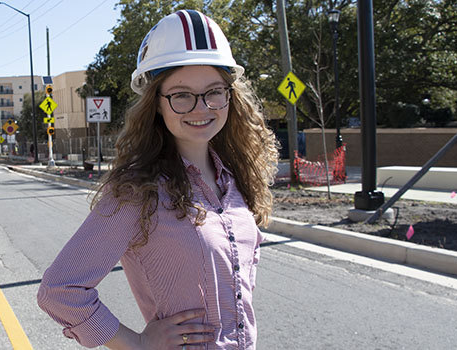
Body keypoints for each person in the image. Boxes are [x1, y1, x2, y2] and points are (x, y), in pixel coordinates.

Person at [37, 9, 278, 350]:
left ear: (230, 95)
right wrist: (136, 343)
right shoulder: (138, 191)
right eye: (181, 95)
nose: (201, 107)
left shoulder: (235, 179)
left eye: (214, 91)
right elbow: (60, 290)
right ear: (157, 104)